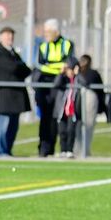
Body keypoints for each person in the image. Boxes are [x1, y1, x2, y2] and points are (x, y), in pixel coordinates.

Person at [34, 19, 76, 157]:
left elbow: (68, 61)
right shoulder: (43, 47)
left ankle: (62, 148)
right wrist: (59, 67)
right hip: (45, 85)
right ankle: (44, 148)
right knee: (45, 117)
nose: (46, 34)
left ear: (56, 31)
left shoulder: (66, 44)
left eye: (48, 31)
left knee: (57, 117)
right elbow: (41, 65)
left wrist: (62, 68)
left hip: (60, 85)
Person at [0, 27, 32, 157]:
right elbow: (12, 67)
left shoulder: (13, 52)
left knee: (13, 126)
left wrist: (19, 66)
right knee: (3, 124)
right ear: (1, 36)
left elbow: (26, 70)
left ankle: (8, 150)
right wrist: (18, 66)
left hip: (17, 96)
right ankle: (1, 151)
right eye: (7, 35)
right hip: (6, 95)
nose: (10, 37)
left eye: (11, 35)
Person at [51, 59, 86, 159]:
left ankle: (70, 150)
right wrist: (61, 73)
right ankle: (63, 150)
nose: (69, 72)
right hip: (62, 109)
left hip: (73, 110)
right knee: (62, 131)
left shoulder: (77, 79)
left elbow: (85, 83)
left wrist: (78, 74)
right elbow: (56, 84)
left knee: (71, 130)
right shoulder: (63, 78)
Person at [77, 55, 104, 154]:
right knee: (83, 125)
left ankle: (83, 150)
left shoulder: (92, 73)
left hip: (89, 100)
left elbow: (100, 90)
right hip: (82, 99)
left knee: (86, 125)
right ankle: (82, 150)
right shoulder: (79, 73)